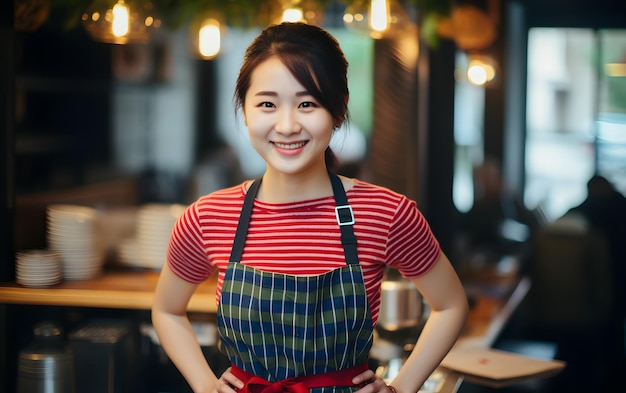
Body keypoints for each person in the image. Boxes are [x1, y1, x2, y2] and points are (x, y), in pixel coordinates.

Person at [152, 22, 468, 393]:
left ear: (338, 109)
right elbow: (167, 310)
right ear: (245, 108)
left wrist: (402, 387)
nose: (287, 125)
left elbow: (451, 306)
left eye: (307, 104)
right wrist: (204, 384)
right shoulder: (208, 217)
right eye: (267, 104)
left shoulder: (385, 212)